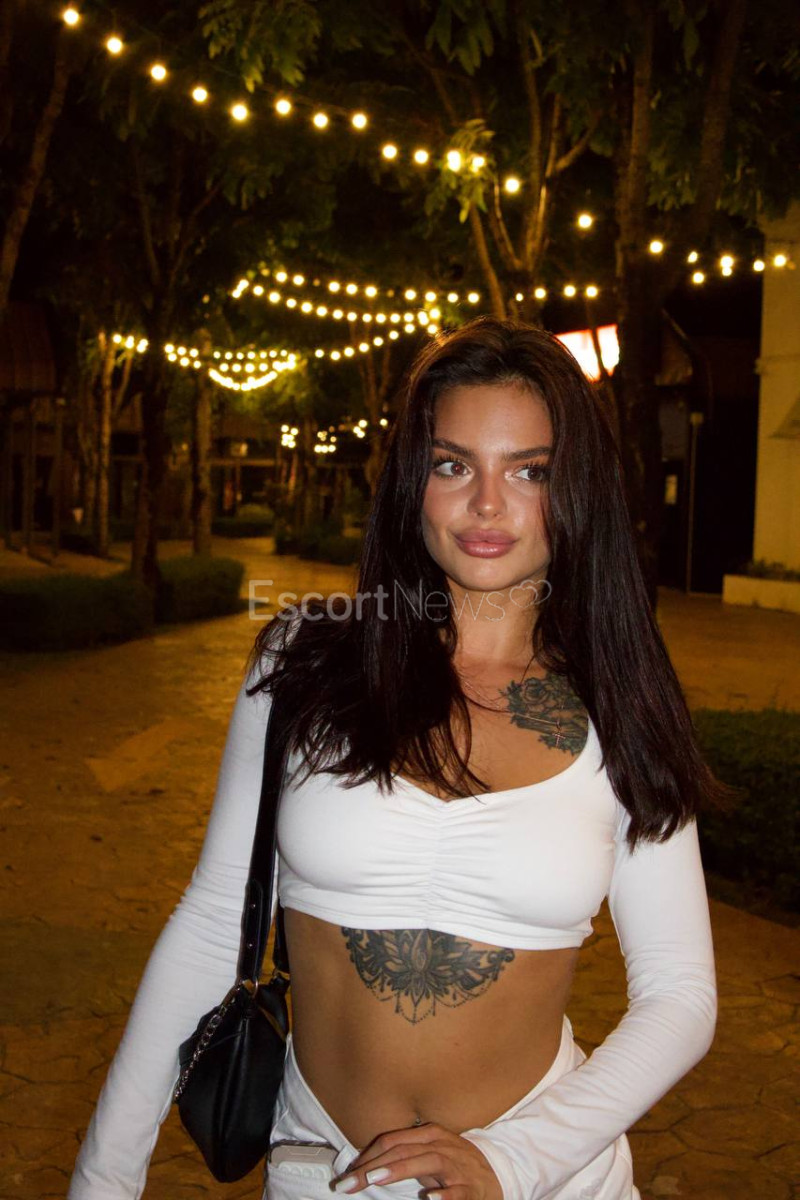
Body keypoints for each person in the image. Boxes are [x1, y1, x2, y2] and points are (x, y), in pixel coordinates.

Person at [68, 316, 724, 1200]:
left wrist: (516, 1158)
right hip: (325, 1173)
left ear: (578, 490)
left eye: (529, 471)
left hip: (543, 1180)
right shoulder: (303, 664)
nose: (486, 504)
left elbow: (679, 993)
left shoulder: (619, 697)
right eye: (453, 465)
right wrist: (103, 1178)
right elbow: (214, 921)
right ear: (412, 483)